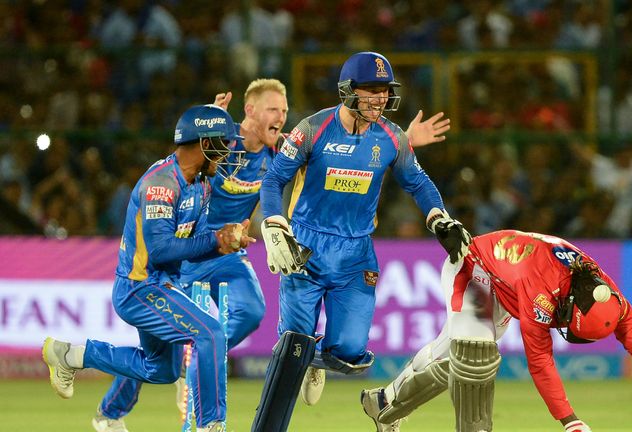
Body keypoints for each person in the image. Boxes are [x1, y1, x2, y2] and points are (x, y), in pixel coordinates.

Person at [88, 79, 453, 430]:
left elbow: (334, 154)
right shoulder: (220, 146)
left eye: (285, 109)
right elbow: (174, 174)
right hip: (191, 249)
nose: (281, 116)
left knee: (251, 311)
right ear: (249, 110)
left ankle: (202, 364)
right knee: (161, 346)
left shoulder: (279, 151)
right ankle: (111, 410)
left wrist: (405, 142)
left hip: (229, 252)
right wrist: (206, 135)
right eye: (273, 109)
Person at [252, 51, 471, 431]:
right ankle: (299, 367)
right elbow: (273, 179)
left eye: (384, 91)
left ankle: (313, 363)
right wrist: (274, 224)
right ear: (347, 90)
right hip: (305, 248)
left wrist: (440, 219)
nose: (380, 99)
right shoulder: (313, 128)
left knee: (353, 355)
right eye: (371, 91)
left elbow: (417, 182)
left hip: (355, 254)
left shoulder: (390, 137)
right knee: (293, 346)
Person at [360, 229, 632, 432]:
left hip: (506, 281)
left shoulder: (611, 298)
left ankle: (382, 402)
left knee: (452, 351)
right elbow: (541, 362)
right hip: (474, 266)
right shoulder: (541, 294)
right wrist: (570, 423)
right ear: (569, 304)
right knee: (472, 357)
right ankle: (389, 407)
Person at [42, 104, 253, 432]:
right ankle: (213, 425)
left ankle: (70, 355)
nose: (227, 153)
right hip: (139, 287)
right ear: (203, 144)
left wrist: (228, 241)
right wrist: (217, 241)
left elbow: (188, 247)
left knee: (162, 370)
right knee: (210, 333)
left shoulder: (201, 184)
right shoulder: (161, 185)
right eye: (222, 144)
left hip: (162, 284)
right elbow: (161, 249)